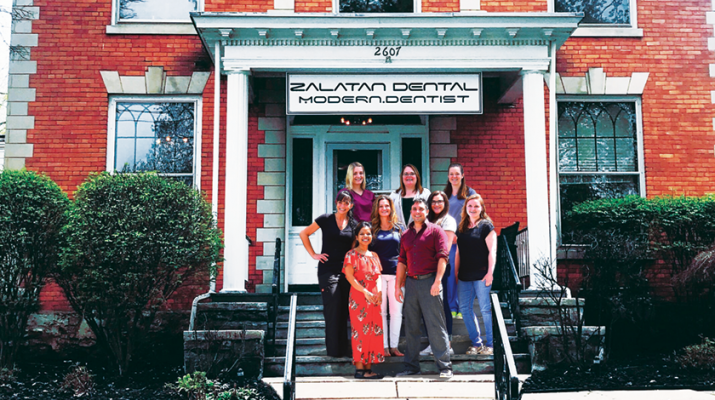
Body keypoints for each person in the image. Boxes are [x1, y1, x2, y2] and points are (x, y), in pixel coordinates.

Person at [394, 199, 453, 378]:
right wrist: (398, 286)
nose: (417, 211)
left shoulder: (436, 231)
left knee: (436, 325)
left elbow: (443, 257)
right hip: (411, 283)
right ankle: (411, 367)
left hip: (430, 282)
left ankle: (445, 367)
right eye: (414, 209)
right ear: (411, 212)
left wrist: (438, 281)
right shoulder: (406, 235)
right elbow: (402, 261)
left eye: (421, 209)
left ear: (427, 211)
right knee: (411, 327)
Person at [299, 191, 357, 358]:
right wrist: (314, 254)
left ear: (351, 205)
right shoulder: (325, 219)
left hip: (346, 271)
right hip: (328, 270)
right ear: (336, 202)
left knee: (343, 309)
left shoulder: (354, 224)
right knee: (333, 306)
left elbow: (353, 249)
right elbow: (304, 233)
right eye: (340, 202)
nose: (342, 205)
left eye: (346, 203)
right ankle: (333, 352)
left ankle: (343, 350)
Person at [343, 221, 386, 379]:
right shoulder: (351, 255)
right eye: (362, 234)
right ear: (356, 237)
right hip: (359, 297)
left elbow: (378, 276)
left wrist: (379, 291)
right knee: (360, 332)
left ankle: (368, 369)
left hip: (374, 297)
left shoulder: (374, 256)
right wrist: (365, 291)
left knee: (373, 332)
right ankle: (360, 369)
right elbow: (350, 277)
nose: (365, 236)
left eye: (368, 233)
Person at [455, 194, 496, 356]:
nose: (473, 209)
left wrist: (490, 273)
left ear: (481, 208)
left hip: (482, 274)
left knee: (485, 309)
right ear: (466, 208)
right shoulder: (461, 228)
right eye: (470, 206)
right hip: (464, 275)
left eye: (476, 206)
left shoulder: (486, 226)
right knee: (465, 309)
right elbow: (458, 252)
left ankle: (490, 345)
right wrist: (456, 273)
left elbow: (492, 251)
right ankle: (477, 343)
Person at [420, 191, 457, 357]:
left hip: (440, 268)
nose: (436, 204)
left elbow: (446, 248)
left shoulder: (448, 220)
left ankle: (447, 344)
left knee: (442, 306)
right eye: (433, 201)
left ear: (445, 203)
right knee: (429, 307)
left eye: (440, 201)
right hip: (424, 268)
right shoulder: (426, 221)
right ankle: (433, 344)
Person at [369, 195, 405, 357]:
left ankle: (394, 347)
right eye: (381, 206)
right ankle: (383, 346)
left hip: (397, 275)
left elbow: (405, 253)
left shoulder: (399, 229)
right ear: (377, 209)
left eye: (387, 206)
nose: (384, 208)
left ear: (391, 208)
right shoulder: (372, 229)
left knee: (396, 312)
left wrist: (404, 275)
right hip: (378, 276)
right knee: (381, 311)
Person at [444, 163, 477, 320]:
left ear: (462, 175)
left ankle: (464, 308)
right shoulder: (445, 195)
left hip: (465, 240)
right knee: (451, 275)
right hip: (450, 242)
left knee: (465, 275)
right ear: (448, 176)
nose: (454, 177)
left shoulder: (470, 193)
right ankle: (452, 306)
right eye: (451, 174)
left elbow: (476, 216)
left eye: (457, 173)